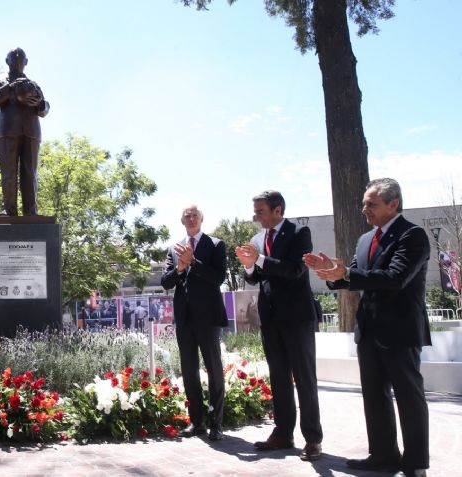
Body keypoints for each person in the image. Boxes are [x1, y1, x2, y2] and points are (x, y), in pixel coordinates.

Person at [304, 178, 430, 477]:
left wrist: (347, 273)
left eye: (371, 204)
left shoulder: (412, 236)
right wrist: (333, 275)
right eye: (363, 203)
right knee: (374, 396)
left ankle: (415, 464)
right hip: (369, 330)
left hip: (400, 332)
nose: (364, 209)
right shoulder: (365, 240)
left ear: (393, 204)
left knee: (409, 398)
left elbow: (395, 277)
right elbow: (353, 275)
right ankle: (383, 454)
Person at [235, 190, 323, 461]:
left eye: (260, 211)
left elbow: (294, 270)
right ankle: (283, 433)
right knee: (279, 378)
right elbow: (255, 279)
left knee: (304, 379)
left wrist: (258, 259)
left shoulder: (299, 234)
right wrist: (249, 266)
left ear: (278, 210)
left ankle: (313, 440)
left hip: (297, 318)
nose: (256, 217)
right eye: (255, 212)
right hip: (271, 319)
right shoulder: (258, 240)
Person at [161, 205, 227, 441]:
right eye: (186, 216)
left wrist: (194, 262)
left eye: (194, 216)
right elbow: (166, 282)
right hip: (185, 319)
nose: (190, 219)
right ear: (182, 221)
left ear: (202, 219)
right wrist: (180, 267)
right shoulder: (173, 248)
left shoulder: (216, 245)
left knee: (214, 370)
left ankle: (216, 423)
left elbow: (219, 277)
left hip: (208, 318)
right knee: (189, 371)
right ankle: (197, 422)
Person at [0, 47, 50, 216]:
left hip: (31, 132)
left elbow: (45, 109)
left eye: (20, 59)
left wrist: (39, 104)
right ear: (6, 61)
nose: (17, 61)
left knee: (30, 173)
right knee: (8, 172)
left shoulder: (33, 85)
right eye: (13, 58)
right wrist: (10, 88)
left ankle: (31, 212)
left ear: (26, 62)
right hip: (7, 132)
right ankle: (9, 211)